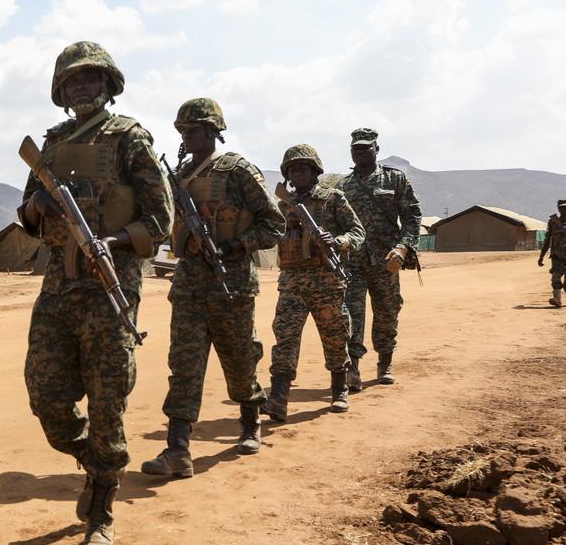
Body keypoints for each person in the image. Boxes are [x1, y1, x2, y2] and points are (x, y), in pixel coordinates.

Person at [19, 41, 173, 545]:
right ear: (61, 91)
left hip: (110, 288)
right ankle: (94, 460)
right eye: (73, 81)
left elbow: (161, 219)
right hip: (58, 287)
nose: (82, 88)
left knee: (108, 401)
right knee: (46, 396)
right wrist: (37, 203)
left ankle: (102, 509)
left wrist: (116, 242)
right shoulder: (52, 144)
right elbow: (27, 219)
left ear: (108, 85)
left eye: (91, 79)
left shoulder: (130, 139)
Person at [141, 98, 284, 468]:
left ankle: (251, 423)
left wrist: (236, 244)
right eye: (182, 130)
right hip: (189, 284)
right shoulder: (179, 177)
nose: (186, 136)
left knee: (239, 360)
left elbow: (274, 224)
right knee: (184, 365)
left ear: (213, 131)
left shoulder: (238, 171)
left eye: (193, 129)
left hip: (231, 285)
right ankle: (177, 449)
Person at [261, 144, 365, 421]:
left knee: (334, 336)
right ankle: (278, 399)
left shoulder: (332, 198)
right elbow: (269, 235)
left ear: (315, 171)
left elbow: (357, 231)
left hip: (327, 282)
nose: (298, 173)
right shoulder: (283, 204)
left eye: (304, 168)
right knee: (285, 338)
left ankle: (339, 390)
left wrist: (340, 241)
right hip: (292, 283)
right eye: (293, 169)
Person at [337, 128, 421, 389]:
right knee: (350, 314)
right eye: (356, 148)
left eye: (366, 147)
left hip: (387, 260)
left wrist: (404, 248)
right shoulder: (342, 186)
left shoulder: (393, 179)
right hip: (353, 262)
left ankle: (385, 362)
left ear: (377, 149)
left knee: (387, 311)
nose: (361, 152)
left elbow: (412, 216)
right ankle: (352, 368)